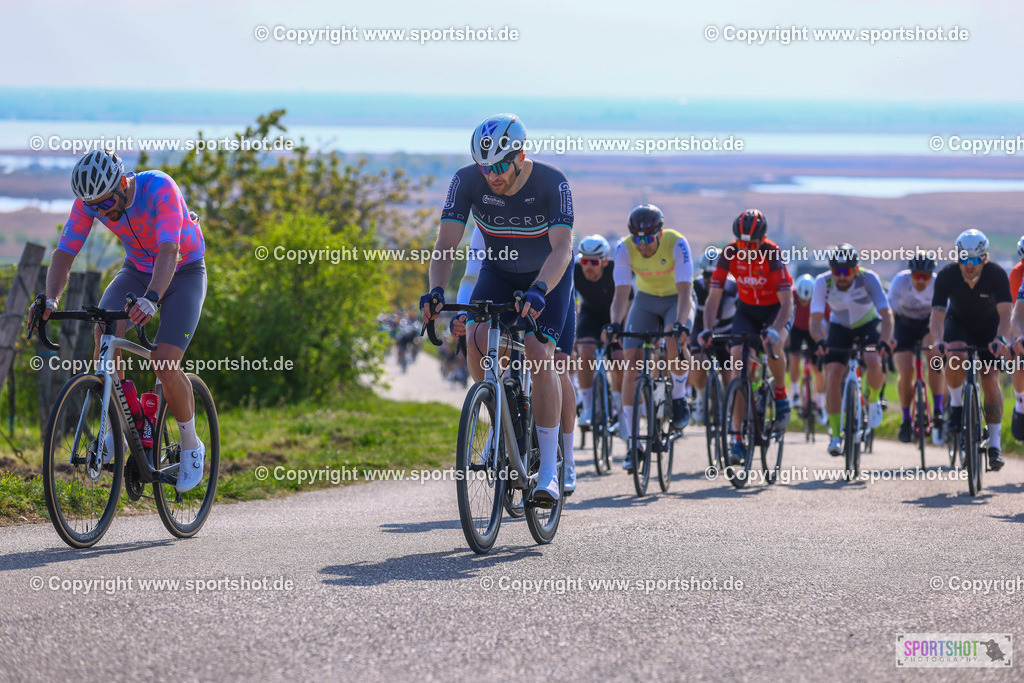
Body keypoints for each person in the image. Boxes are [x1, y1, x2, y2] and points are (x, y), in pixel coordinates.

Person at [421, 113, 574, 504]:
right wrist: (436, 291)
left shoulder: (552, 181)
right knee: (476, 338)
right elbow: (445, 245)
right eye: (484, 166)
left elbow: (562, 249)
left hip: (548, 276)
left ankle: (549, 473)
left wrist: (540, 289)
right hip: (499, 270)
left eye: (501, 165)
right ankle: (496, 412)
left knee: (540, 355)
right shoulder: (466, 180)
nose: (492, 174)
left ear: (521, 157)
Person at [37, 149, 208, 492]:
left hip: (183, 272)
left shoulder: (159, 187)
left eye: (104, 203)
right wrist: (51, 300)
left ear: (122, 184)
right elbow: (64, 252)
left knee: (164, 363)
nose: (101, 212)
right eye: (93, 206)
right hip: (136, 271)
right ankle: (118, 426)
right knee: (103, 334)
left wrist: (153, 299)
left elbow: (169, 250)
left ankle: (191, 444)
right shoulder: (90, 202)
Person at [700, 209, 794, 467]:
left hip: (775, 308)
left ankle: (781, 394)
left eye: (751, 245)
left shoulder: (772, 253)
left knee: (773, 343)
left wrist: (775, 328)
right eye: (742, 244)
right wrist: (707, 329)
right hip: (748, 309)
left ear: (761, 241)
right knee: (737, 362)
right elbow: (713, 298)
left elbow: (787, 303)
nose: (747, 249)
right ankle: (738, 439)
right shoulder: (729, 253)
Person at [607, 204, 696, 472]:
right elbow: (622, 295)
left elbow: (684, 294)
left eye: (647, 239)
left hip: (674, 300)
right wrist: (614, 324)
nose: (642, 245)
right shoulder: (624, 248)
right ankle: (633, 445)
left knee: (673, 340)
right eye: (637, 239)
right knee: (629, 361)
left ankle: (679, 397)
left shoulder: (676, 243)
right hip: (644, 301)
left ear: (658, 233)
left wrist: (680, 325)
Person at [933, 229, 1011, 471]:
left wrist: (1000, 337)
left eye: (975, 259)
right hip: (958, 323)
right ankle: (956, 407)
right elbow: (937, 314)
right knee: (955, 356)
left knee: (989, 378)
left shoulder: (996, 274)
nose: (969, 265)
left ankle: (995, 445)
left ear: (984, 258)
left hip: (989, 327)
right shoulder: (946, 275)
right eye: (964, 258)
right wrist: (937, 340)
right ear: (958, 257)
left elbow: (1006, 312)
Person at [810, 244, 894, 457]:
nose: (842, 277)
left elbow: (886, 314)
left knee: (873, 359)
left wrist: (884, 340)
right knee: (833, 374)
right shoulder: (823, 282)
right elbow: (815, 320)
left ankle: (874, 399)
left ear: (856, 269)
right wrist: (819, 340)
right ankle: (836, 436)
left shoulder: (869, 279)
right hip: (839, 327)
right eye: (837, 271)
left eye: (847, 271)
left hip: (868, 324)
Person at [888, 251, 945, 444]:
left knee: (934, 358)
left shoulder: (938, 284)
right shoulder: (899, 282)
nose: (921, 281)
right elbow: (889, 312)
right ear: (910, 274)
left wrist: (941, 341)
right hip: (903, 325)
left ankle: (938, 410)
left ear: (931, 276)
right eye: (917, 276)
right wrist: (888, 339)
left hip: (927, 325)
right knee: (906, 372)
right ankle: (905, 420)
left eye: (925, 277)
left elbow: (944, 317)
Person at [573, 235, 624, 430]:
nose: (588, 267)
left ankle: (619, 408)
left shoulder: (616, 270)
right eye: (584, 261)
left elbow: (628, 300)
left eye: (594, 262)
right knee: (585, 351)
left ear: (604, 261)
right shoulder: (576, 271)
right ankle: (587, 408)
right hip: (591, 315)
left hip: (616, 316)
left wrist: (618, 326)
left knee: (619, 358)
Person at [690, 247, 738, 423]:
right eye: (707, 276)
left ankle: (732, 413)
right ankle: (701, 397)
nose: (711, 280)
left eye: (716, 274)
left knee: (729, 373)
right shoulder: (695, 287)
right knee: (697, 360)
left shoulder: (734, 288)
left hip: (726, 331)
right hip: (701, 328)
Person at [786, 273, 827, 426]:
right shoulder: (790, 295)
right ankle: (796, 394)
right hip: (796, 329)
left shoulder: (820, 296)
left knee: (818, 368)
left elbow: (829, 320)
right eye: (802, 300)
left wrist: (825, 341)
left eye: (807, 301)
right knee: (794, 357)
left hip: (813, 330)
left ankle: (821, 405)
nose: (804, 304)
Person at [1007, 236, 1024, 441]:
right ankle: (1021, 403)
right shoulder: (1017, 274)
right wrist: (1018, 338)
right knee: (1016, 357)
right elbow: (1015, 312)